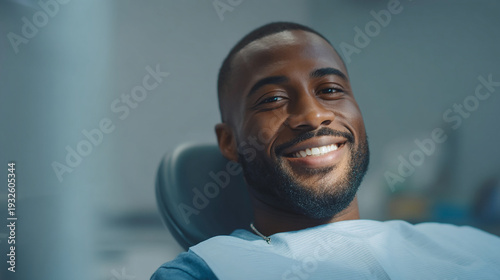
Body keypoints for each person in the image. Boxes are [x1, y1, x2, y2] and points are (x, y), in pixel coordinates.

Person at [151, 22, 500, 279]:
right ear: (229, 141)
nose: (314, 115)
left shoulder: (469, 245)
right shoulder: (209, 271)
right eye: (273, 99)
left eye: (331, 90)